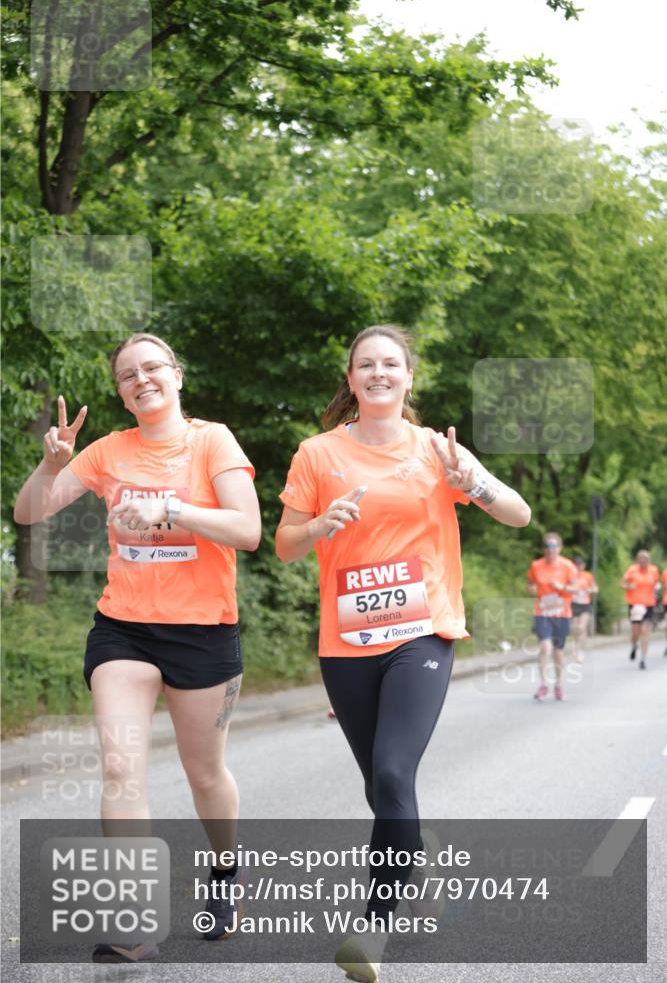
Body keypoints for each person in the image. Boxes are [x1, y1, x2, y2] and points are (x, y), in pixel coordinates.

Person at [275, 324, 530, 983]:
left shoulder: (434, 452)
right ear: (351, 378)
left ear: (408, 377)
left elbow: (518, 515)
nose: (379, 373)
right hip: (348, 640)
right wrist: (317, 526)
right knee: (381, 789)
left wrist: (472, 480)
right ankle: (419, 856)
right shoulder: (317, 454)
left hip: (423, 630)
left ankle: (374, 929)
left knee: (391, 775)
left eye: (391, 363)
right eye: (366, 364)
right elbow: (282, 544)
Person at [14, 333, 261, 960]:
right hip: (124, 627)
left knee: (205, 774)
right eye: (128, 375)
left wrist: (171, 511)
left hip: (204, 633)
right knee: (122, 765)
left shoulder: (212, 440)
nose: (141, 379)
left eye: (153, 368)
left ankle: (226, 870)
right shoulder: (106, 452)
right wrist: (50, 464)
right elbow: (28, 512)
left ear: (177, 376)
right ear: (122, 393)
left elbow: (248, 529)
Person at [527, 533, 578, 701]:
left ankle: (559, 685)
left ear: (560, 548)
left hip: (562, 613)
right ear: (544, 549)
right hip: (542, 612)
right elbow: (530, 584)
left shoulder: (568, 566)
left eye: (554, 546)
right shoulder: (536, 565)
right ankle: (543, 684)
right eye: (548, 547)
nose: (551, 550)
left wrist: (562, 586)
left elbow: (576, 589)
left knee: (558, 652)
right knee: (544, 647)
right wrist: (532, 589)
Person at [620, 550, 660, 670]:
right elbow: (622, 583)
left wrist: (657, 588)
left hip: (648, 604)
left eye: (645, 560)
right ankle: (634, 645)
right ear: (638, 560)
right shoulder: (632, 570)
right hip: (635, 605)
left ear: (649, 560)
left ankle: (643, 658)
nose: (643, 561)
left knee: (645, 631)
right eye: (641, 559)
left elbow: (656, 584)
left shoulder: (653, 570)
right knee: (635, 632)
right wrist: (628, 586)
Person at [570, 554, 598, 662]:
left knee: (582, 627)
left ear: (583, 565)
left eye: (580, 565)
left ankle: (580, 650)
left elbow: (595, 588)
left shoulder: (588, 575)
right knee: (575, 628)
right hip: (573, 604)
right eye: (576, 565)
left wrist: (590, 590)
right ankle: (576, 643)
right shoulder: (570, 576)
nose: (578, 567)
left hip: (585, 604)